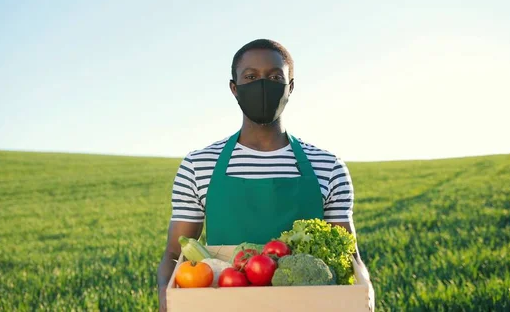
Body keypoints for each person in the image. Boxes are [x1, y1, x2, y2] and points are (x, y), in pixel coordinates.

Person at [157, 39, 374, 311]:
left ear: (290, 87)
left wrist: (365, 294)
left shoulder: (328, 166)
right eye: (251, 77)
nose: (262, 85)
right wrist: (167, 301)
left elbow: (349, 254)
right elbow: (174, 255)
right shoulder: (198, 165)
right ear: (234, 88)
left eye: (274, 77)